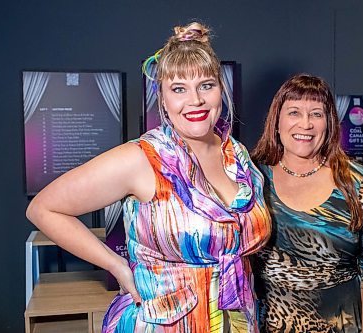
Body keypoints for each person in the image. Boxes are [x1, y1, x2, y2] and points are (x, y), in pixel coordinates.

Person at [26, 22, 271, 332]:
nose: (195, 100)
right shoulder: (142, 159)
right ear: (163, 99)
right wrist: (118, 267)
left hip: (237, 321)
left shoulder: (237, 154)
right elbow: (43, 208)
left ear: (221, 89)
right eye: (179, 89)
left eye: (206, 85)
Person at [251, 74, 363, 333]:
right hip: (266, 323)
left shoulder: (356, 181)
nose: (306, 124)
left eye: (316, 114)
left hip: (341, 323)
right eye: (294, 112)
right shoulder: (252, 177)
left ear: (329, 123)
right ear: (276, 121)